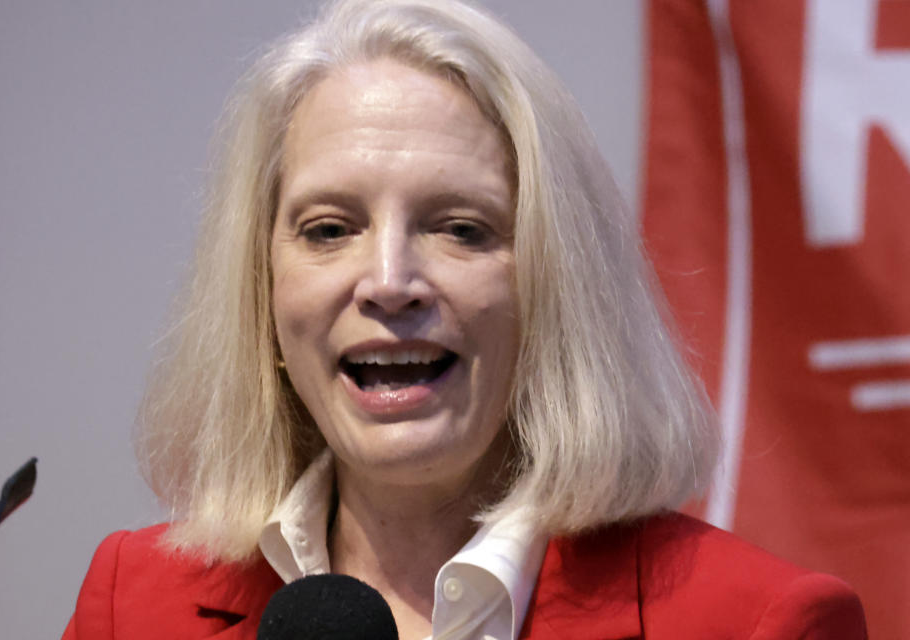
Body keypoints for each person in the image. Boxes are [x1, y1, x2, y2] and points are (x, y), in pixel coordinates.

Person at [63, 1, 867, 638]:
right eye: (329, 230)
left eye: (460, 228)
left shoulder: (759, 624)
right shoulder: (132, 605)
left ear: (556, 290)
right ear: (263, 297)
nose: (388, 282)